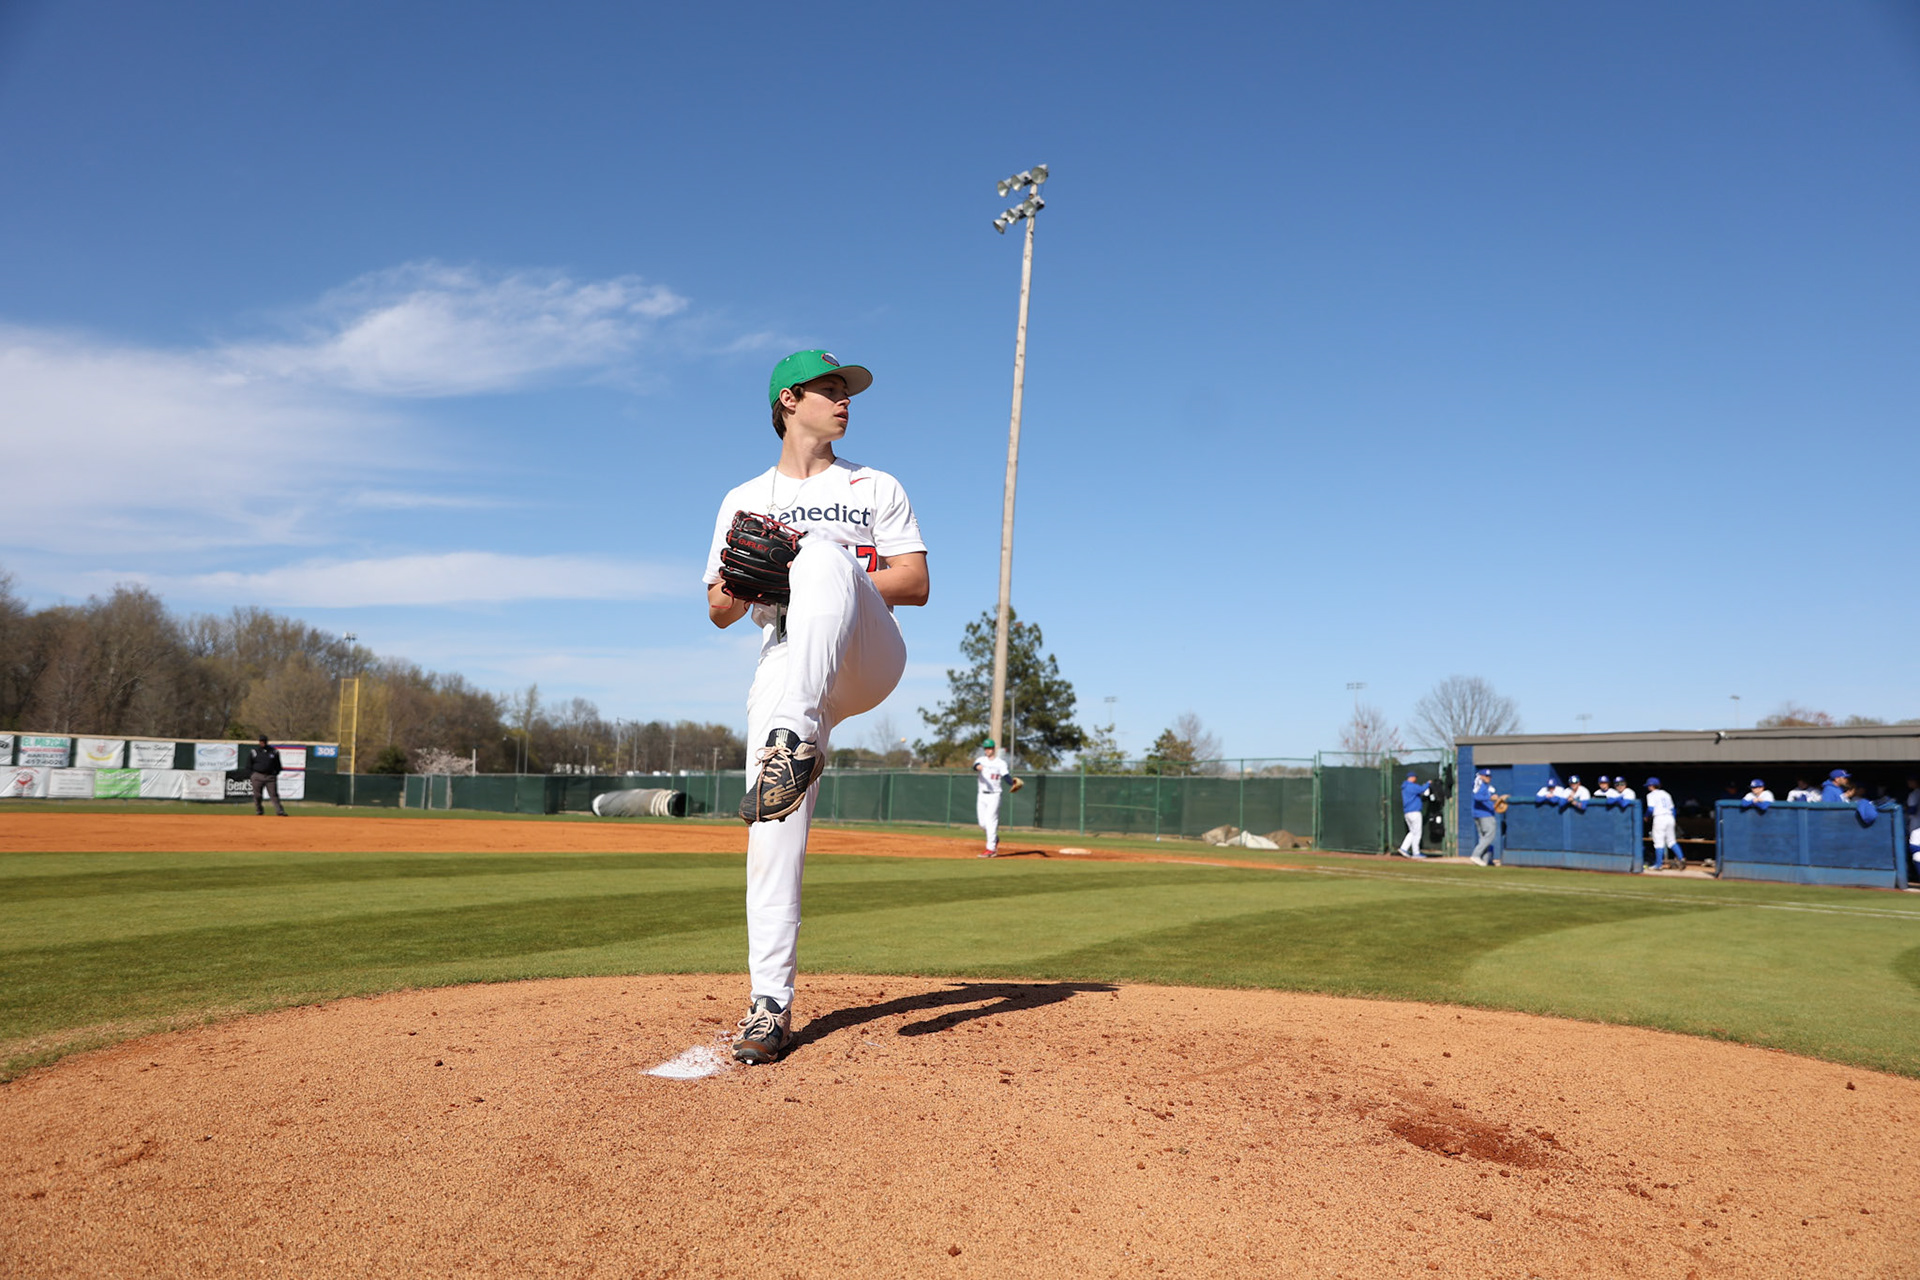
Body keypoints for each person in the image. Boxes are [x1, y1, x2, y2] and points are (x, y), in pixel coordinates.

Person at [703, 349, 929, 1066]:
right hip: (785, 656)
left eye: (847, 390)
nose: (845, 400)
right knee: (771, 828)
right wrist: (743, 581)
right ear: (788, 401)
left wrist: (813, 564)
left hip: (865, 649)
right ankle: (769, 1005)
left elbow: (915, 581)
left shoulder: (872, 484)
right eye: (830, 390)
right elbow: (718, 611)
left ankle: (793, 740)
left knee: (824, 554)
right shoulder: (744, 497)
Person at [973, 738, 1015, 857]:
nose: (988, 750)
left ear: (994, 749)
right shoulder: (981, 760)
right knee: (982, 823)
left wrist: (1013, 783)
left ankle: (990, 849)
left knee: (991, 821)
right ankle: (994, 839)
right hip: (981, 794)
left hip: (994, 795)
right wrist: (978, 767)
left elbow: (1006, 776)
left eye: (990, 748)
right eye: (986, 748)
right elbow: (975, 766)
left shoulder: (1000, 763)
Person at [1468, 766, 1504, 866]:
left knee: (1483, 838)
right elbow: (1477, 797)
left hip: (1479, 813)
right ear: (1482, 776)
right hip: (1484, 814)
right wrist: (1490, 797)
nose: (1488, 778)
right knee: (1489, 836)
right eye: (1486, 776)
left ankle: (1484, 860)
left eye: (1489, 776)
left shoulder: (1484, 786)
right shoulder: (1481, 784)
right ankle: (1476, 855)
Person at [1645, 776, 1682, 870]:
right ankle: (1681, 859)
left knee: (1658, 842)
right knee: (1671, 841)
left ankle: (1658, 865)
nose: (1648, 787)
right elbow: (1673, 809)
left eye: (1649, 785)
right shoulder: (1666, 793)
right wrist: (1673, 820)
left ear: (1651, 786)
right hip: (1669, 817)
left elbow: (1650, 809)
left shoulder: (1651, 795)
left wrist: (1646, 817)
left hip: (1659, 817)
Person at [247, 735, 286, 816]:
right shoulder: (254, 752)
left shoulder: (273, 752)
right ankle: (259, 810)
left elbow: (278, 765)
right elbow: (248, 765)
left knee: (274, 795)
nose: (262, 743)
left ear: (266, 742)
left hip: (270, 777)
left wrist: (275, 773)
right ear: (259, 742)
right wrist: (252, 774)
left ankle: (279, 811)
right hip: (257, 776)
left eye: (264, 741)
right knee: (257, 795)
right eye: (261, 741)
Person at [1396, 773, 1428, 858]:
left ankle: (1403, 848)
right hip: (1414, 812)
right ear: (1412, 778)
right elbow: (1422, 789)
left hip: (1407, 813)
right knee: (1417, 833)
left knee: (1412, 832)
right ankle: (1416, 852)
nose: (1416, 779)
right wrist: (1428, 783)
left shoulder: (1405, 786)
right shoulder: (1411, 786)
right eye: (1415, 777)